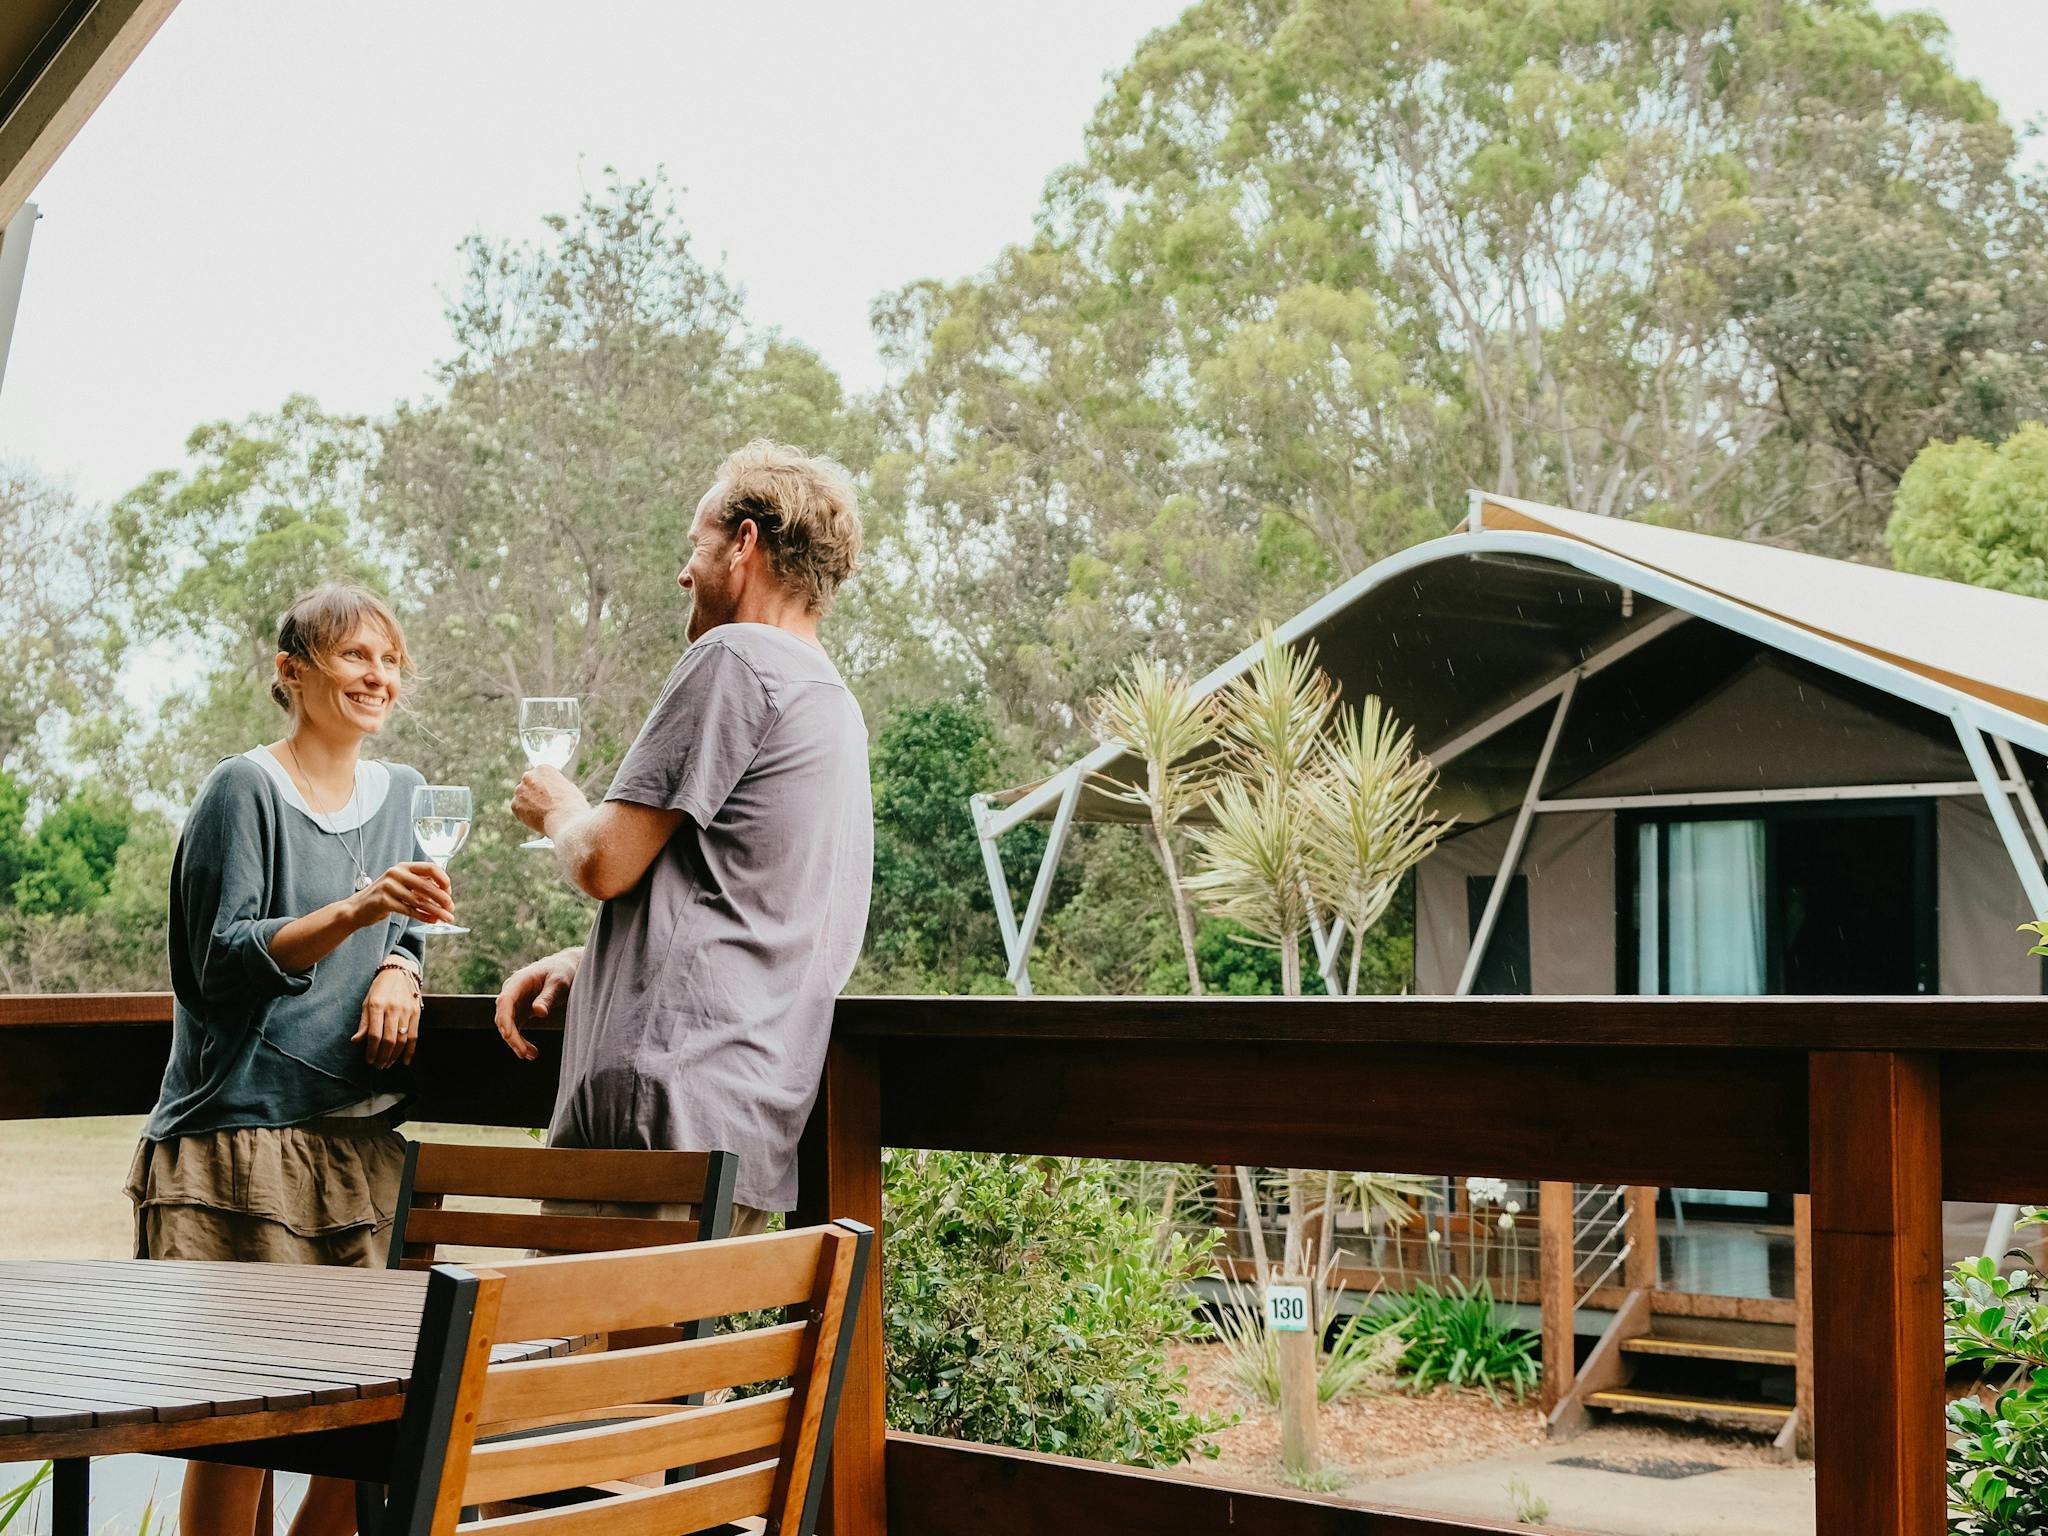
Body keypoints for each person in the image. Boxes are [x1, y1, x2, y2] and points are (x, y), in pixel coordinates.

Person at [128, 583, 455, 1536]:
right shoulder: (243, 790)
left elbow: (413, 927)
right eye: (355, 657)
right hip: (233, 1147)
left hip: (354, 1151)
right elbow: (213, 964)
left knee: (364, 1437)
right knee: (239, 1435)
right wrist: (357, 913)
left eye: (390, 661)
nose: (377, 677)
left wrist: (400, 965)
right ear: (292, 673)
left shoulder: (404, 795)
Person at [495, 439, 873, 1232]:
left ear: (744, 544)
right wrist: (593, 962)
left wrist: (558, 808)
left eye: (694, 544)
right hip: (747, 1120)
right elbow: (753, 901)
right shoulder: (832, 700)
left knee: (571, 1356)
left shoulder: (733, 656)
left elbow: (604, 862)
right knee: (673, 1359)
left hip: (660, 1111)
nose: (683, 571)